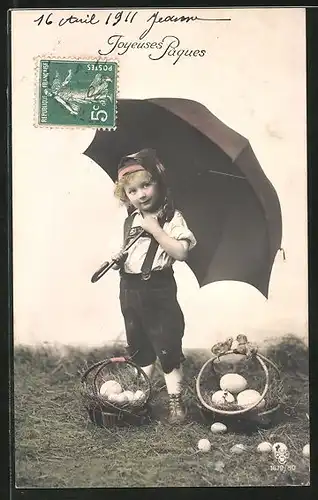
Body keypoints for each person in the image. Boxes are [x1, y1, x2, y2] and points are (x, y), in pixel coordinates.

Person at [112, 148, 196, 423]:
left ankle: (176, 404)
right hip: (130, 289)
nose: (141, 194)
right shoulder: (131, 219)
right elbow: (133, 254)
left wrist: (157, 230)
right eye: (133, 191)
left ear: (159, 184)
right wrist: (119, 260)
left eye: (146, 185)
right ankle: (140, 398)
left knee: (167, 347)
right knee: (139, 347)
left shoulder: (172, 217)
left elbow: (182, 253)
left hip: (158, 290)